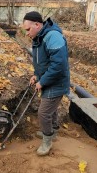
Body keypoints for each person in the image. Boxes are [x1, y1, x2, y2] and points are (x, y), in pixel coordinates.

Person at [22, 11, 70, 156]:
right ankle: (53, 132)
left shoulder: (52, 36)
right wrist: (36, 76)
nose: (26, 33)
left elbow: (58, 65)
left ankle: (47, 140)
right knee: (51, 110)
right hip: (49, 80)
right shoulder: (39, 37)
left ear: (37, 25)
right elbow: (43, 62)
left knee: (43, 113)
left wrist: (43, 81)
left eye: (28, 29)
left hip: (57, 82)